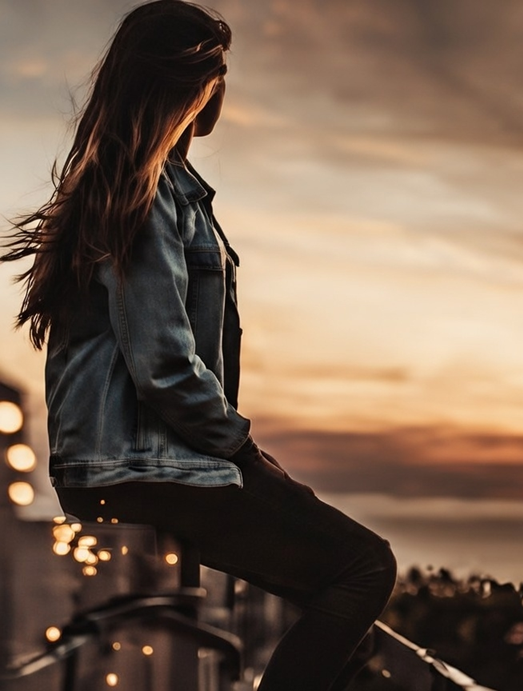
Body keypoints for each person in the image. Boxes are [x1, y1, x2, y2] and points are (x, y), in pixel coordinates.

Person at [1, 2, 396, 689]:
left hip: (110, 468)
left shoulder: (126, 185)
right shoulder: (148, 195)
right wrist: (244, 450)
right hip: (145, 469)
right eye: (217, 73)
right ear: (195, 86)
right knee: (365, 567)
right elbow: (162, 364)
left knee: (332, 612)